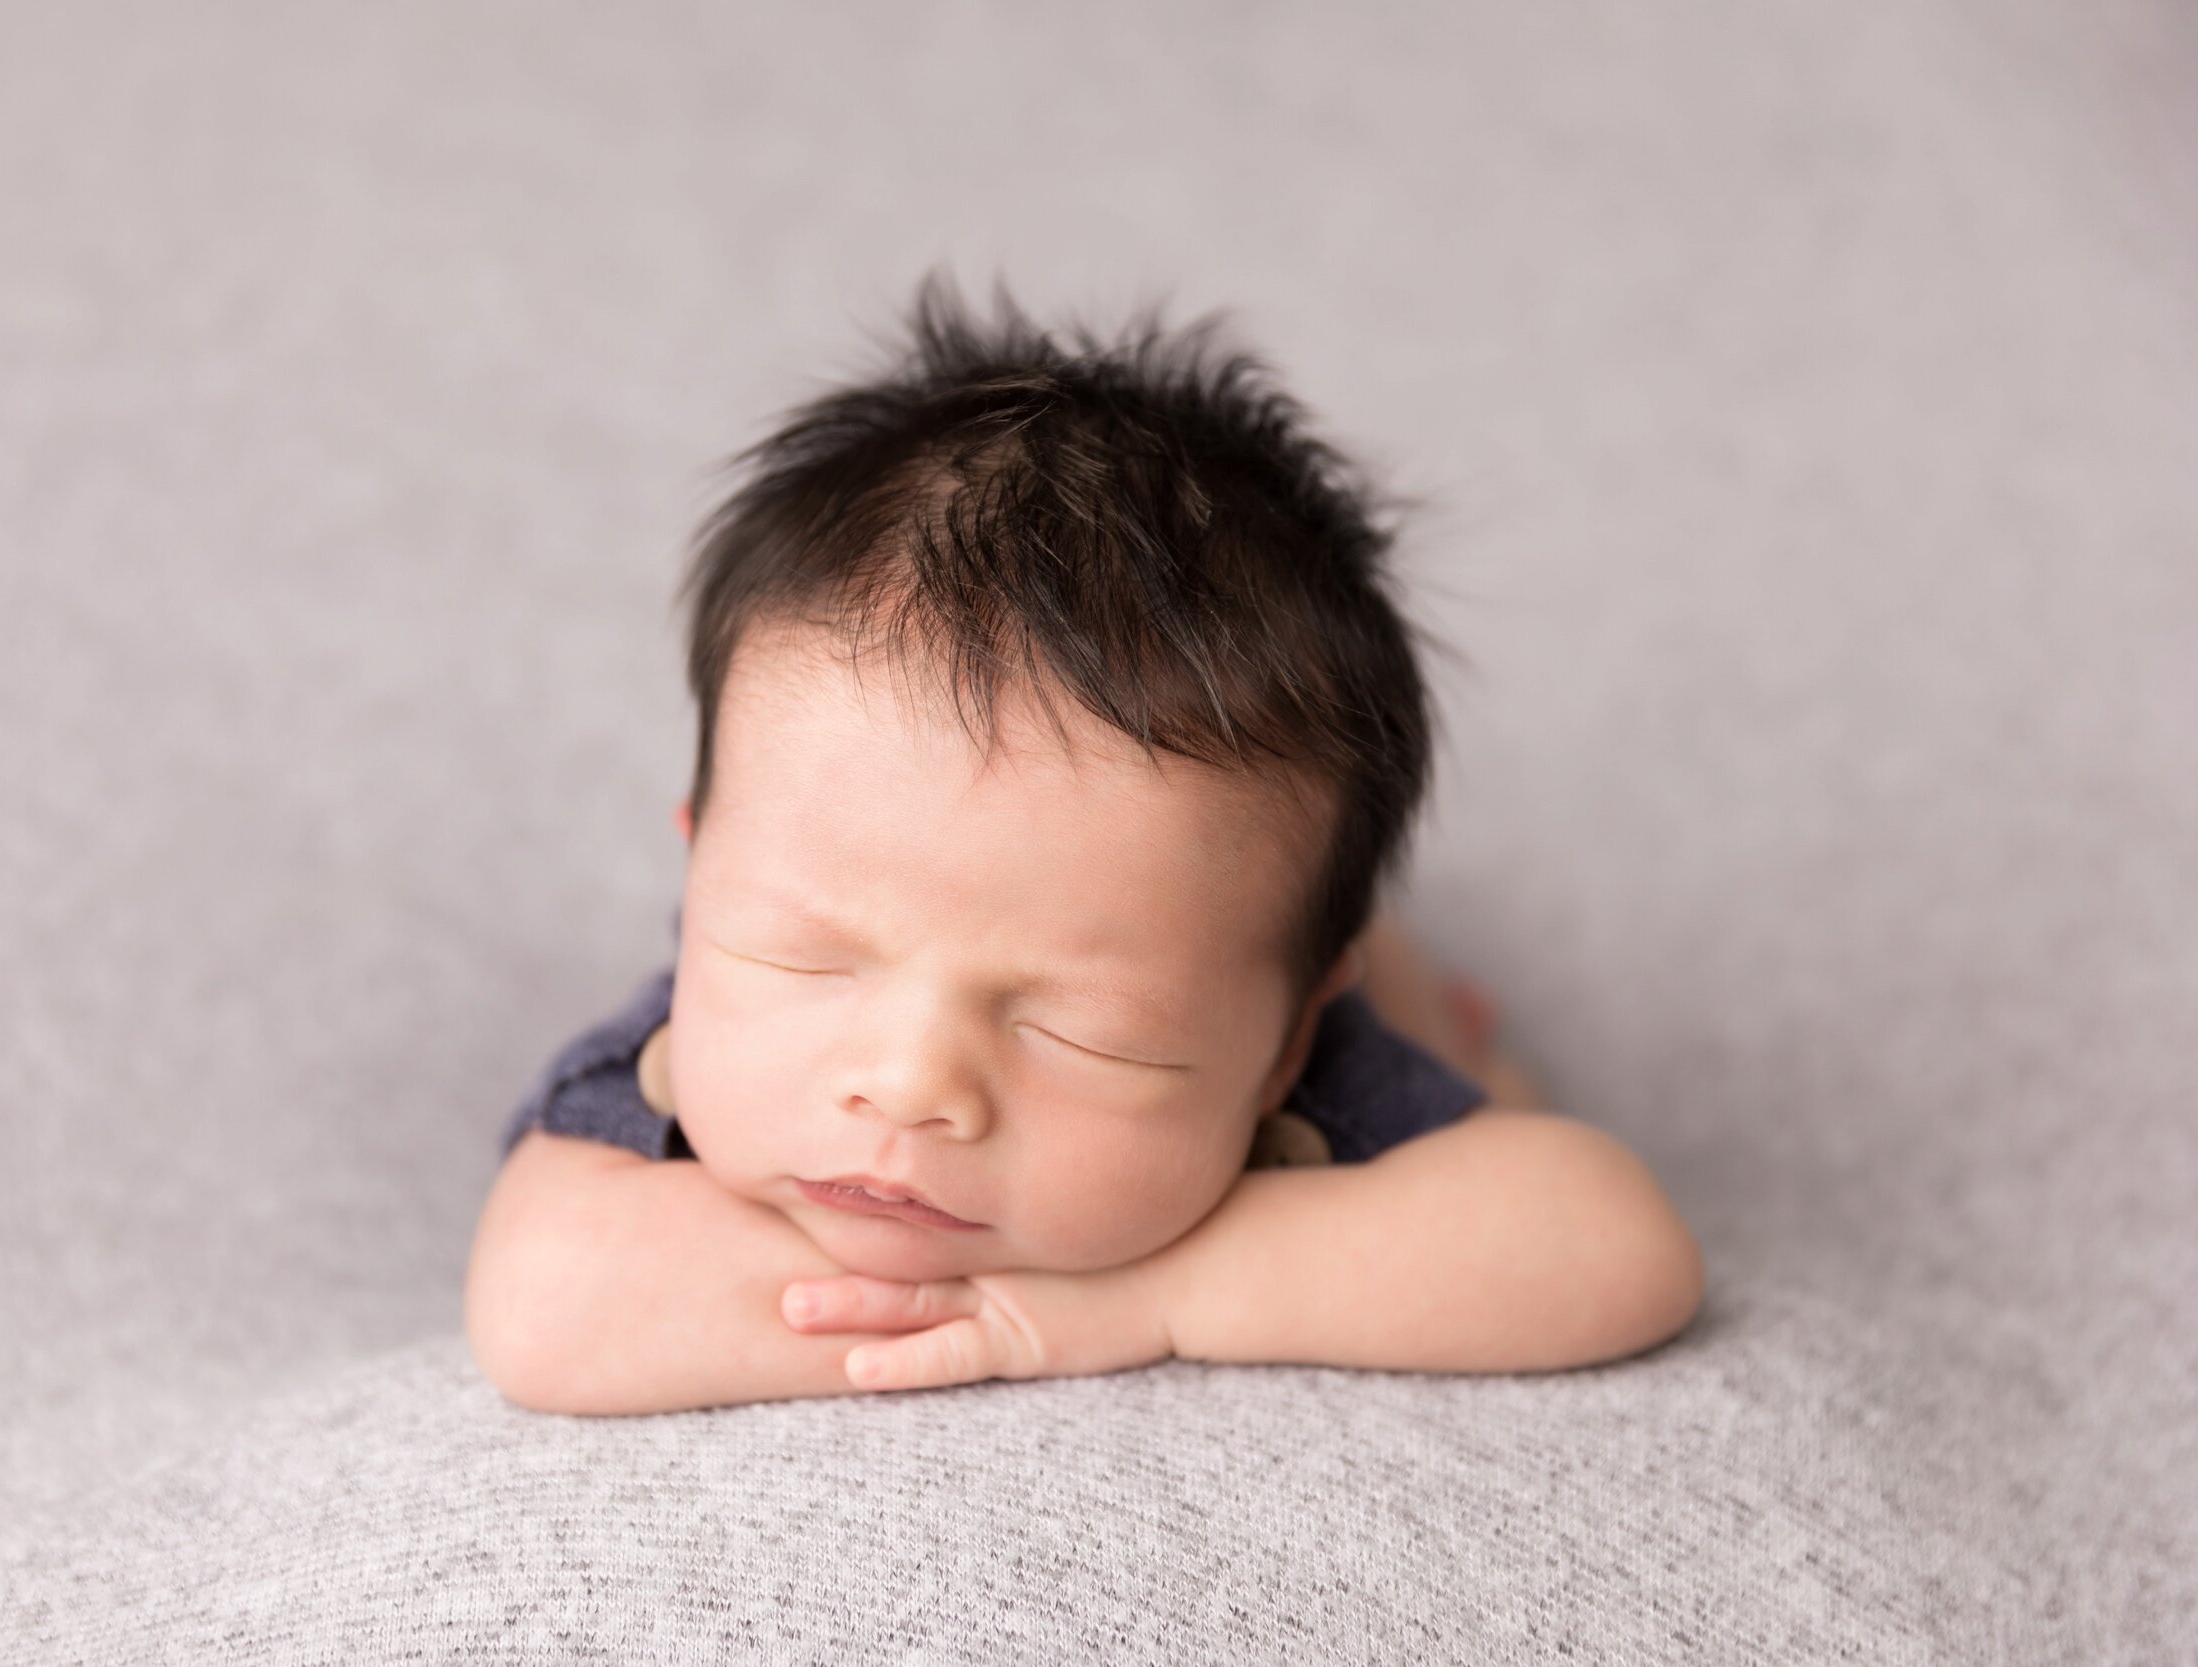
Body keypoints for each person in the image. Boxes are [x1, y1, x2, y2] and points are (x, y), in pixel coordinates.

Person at [464, 272, 1702, 1416]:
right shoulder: (671, 1067)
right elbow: (545, 1308)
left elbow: (1616, 1249)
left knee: (1399, 1010)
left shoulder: (1283, 1074)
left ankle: (1397, 972)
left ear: (1277, 1054)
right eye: (806, 957)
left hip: (1306, 967)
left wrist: (1153, 1293)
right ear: (697, 882)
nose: (908, 1085)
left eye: (1081, 1029)